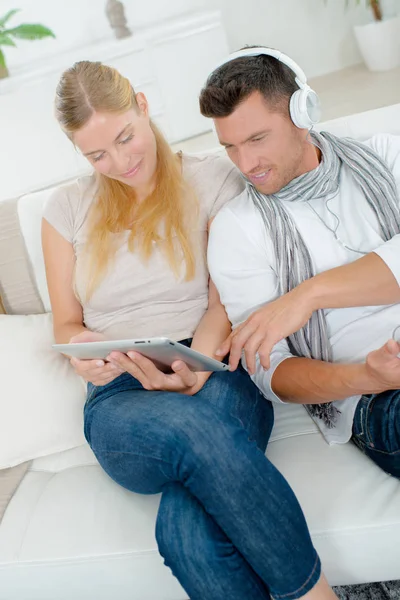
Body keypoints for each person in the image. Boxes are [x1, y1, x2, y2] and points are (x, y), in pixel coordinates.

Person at [41, 60, 337, 599]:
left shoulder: (214, 178)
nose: (119, 162)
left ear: (143, 105)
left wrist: (195, 367)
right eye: (96, 154)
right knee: (190, 433)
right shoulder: (64, 210)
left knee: (186, 534)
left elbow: (224, 304)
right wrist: (81, 353)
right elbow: (66, 322)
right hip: (121, 397)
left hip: (217, 369)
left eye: (125, 138)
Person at [201, 46, 400, 477]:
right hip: (378, 398)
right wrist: (368, 377)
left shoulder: (387, 157)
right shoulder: (237, 229)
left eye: (257, 139)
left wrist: (309, 295)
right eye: (230, 147)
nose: (246, 164)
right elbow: (270, 370)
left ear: (303, 113)